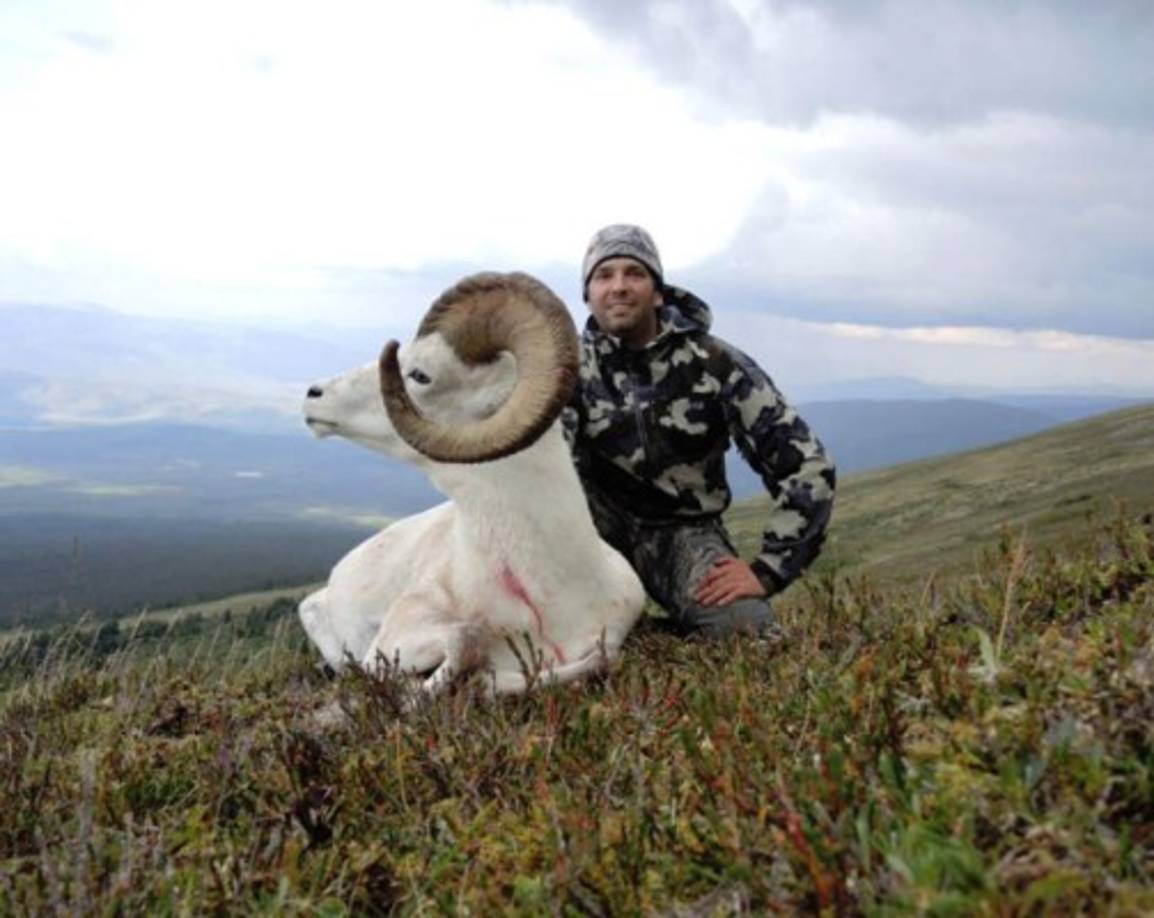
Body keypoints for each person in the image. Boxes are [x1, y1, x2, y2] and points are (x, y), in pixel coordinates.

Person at [562, 224, 836, 638]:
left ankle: (645, 636)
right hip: (590, 531)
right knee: (542, 630)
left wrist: (768, 570)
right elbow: (539, 461)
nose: (618, 286)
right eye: (604, 275)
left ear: (658, 292)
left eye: (634, 273)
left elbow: (808, 467)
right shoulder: (564, 370)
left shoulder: (715, 363)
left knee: (748, 633)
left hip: (682, 533)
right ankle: (634, 634)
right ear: (588, 295)